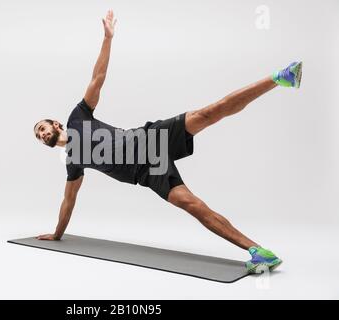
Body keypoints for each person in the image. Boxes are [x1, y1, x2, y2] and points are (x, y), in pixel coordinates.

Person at [33, 10, 302, 273]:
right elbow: (69, 201)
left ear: (56, 124)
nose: (43, 134)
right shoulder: (72, 162)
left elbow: (98, 78)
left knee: (207, 113)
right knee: (193, 206)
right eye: (39, 136)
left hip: (150, 138)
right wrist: (57, 235)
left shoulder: (78, 116)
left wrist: (108, 38)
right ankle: (258, 251)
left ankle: (280, 78)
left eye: (43, 128)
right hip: (149, 173)